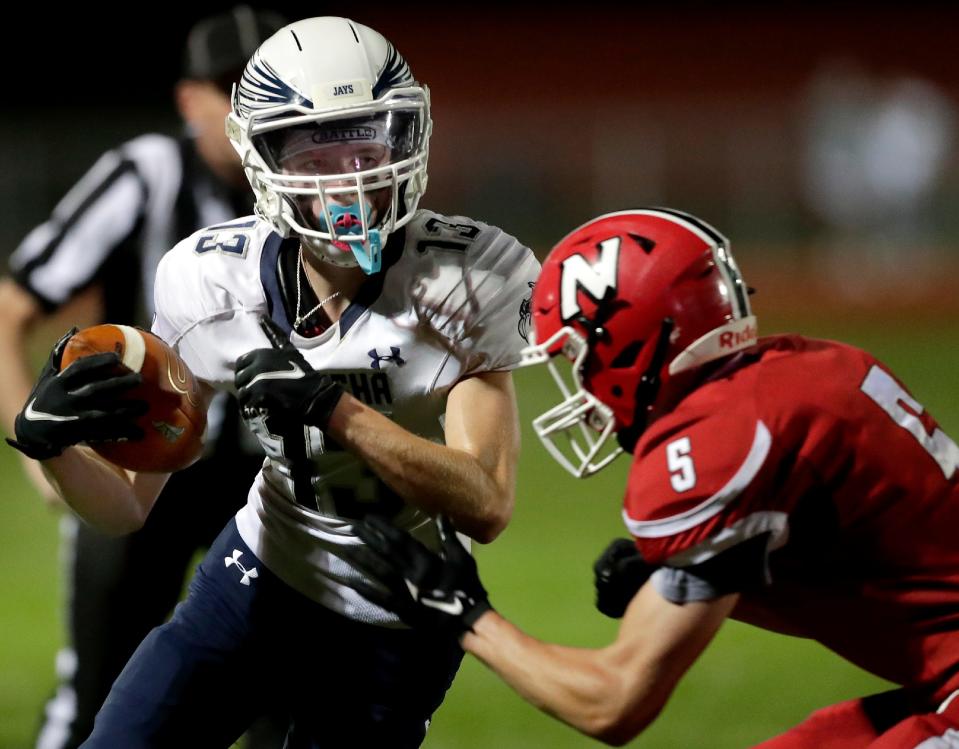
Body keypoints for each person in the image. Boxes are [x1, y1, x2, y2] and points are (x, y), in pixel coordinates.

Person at [6, 15, 539, 748]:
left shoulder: (474, 273)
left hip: (398, 610)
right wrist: (50, 445)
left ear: (407, 134)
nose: (350, 173)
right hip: (255, 576)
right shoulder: (208, 277)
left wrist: (334, 407)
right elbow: (128, 507)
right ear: (261, 155)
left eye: (366, 137)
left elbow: (486, 501)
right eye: (316, 149)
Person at [341, 207, 959, 747]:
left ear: (633, 341)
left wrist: (466, 615)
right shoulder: (799, 371)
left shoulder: (718, 439)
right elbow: (879, 595)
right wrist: (722, 581)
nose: (579, 384)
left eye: (579, 354)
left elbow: (612, 704)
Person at [0, 7, 286, 748]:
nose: (248, 104)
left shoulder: (307, 186)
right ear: (189, 99)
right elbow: (10, 306)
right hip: (144, 463)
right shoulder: (147, 173)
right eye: (231, 86)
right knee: (99, 695)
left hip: (266, 475)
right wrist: (37, 443)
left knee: (282, 693)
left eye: (266, 83)